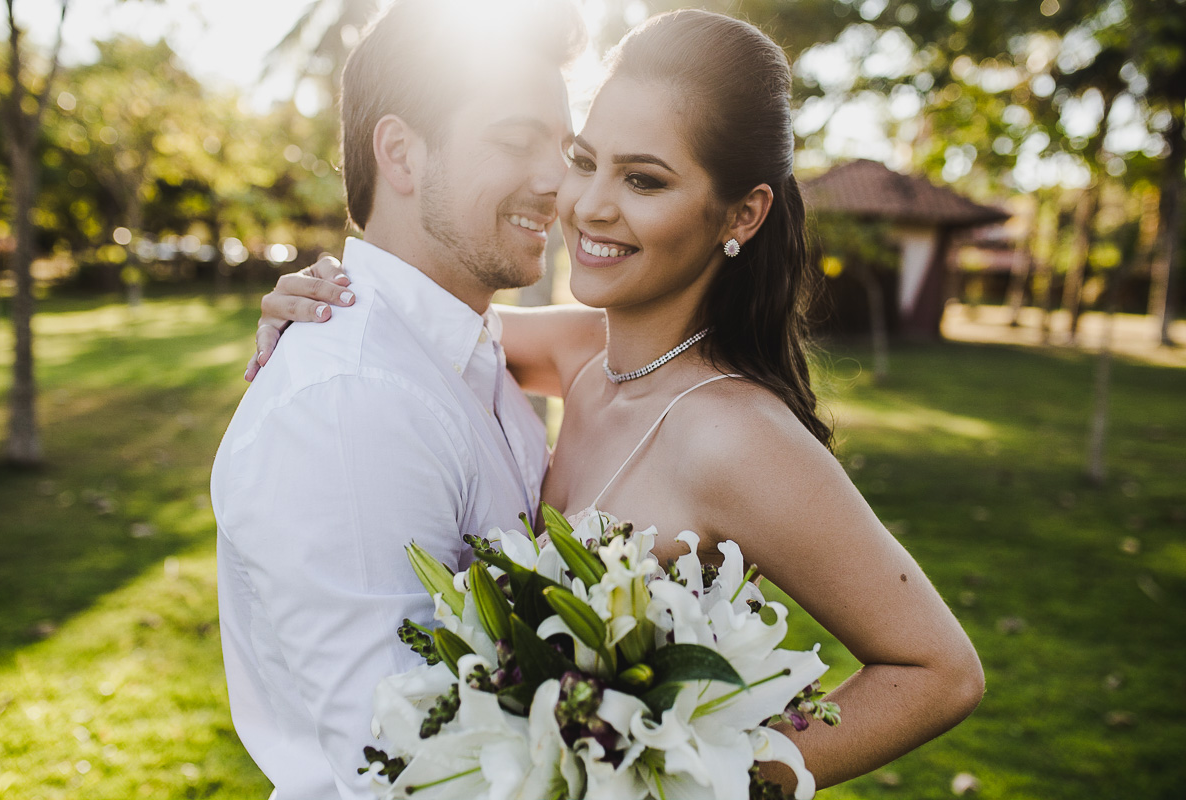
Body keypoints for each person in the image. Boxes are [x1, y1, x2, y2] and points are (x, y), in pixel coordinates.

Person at [252, 8, 985, 796]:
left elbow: (939, 671)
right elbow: (421, 328)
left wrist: (713, 773)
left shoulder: (732, 435)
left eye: (644, 180)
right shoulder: (581, 352)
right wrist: (316, 307)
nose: (587, 205)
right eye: (585, 160)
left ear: (742, 214)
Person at [210, 2, 586, 798]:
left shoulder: (468, 353)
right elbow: (401, 767)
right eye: (518, 141)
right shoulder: (351, 403)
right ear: (402, 152)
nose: (559, 181)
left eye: (565, 147)